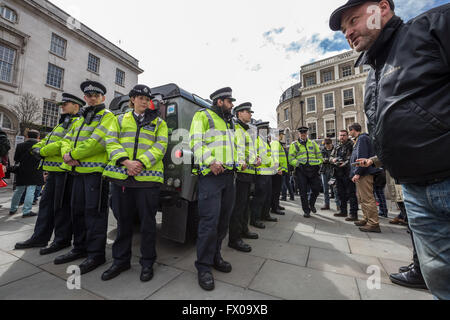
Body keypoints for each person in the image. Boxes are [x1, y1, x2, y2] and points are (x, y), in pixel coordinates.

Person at [330, 0, 450, 298]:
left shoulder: (433, 25)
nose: (349, 32)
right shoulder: (373, 73)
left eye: (353, 20)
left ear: (382, 7)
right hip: (414, 189)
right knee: (440, 281)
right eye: (344, 29)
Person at [101, 85, 168, 282]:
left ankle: (147, 263)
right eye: (140, 98)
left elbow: (161, 145)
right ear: (132, 100)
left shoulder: (159, 122)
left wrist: (140, 163)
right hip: (123, 178)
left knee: (148, 225)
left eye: (147, 99)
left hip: (147, 181)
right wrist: (126, 161)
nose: (144, 101)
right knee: (123, 223)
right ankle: (120, 261)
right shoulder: (119, 119)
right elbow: (111, 141)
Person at [54, 81, 115, 275]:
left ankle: (96, 254)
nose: (91, 98)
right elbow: (65, 140)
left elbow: (97, 142)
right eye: (88, 95)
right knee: (77, 211)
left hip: (96, 174)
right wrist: (67, 154)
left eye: (95, 95)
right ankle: (79, 248)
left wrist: (73, 155)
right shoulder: (80, 118)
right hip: (77, 173)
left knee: (94, 214)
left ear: (103, 98)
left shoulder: (108, 116)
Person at [14, 93, 84, 254]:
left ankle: (61, 240)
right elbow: (47, 140)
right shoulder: (62, 123)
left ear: (76, 106)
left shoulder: (78, 122)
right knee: (46, 206)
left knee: (62, 208)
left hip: (64, 171)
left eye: (65, 104)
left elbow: (63, 143)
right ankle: (39, 237)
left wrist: (42, 151)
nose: (62, 106)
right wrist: (37, 147)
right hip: (54, 172)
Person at [189, 87, 237, 291]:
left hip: (229, 177)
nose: (232, 105)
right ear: (219, 101)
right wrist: (210, 161)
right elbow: (194, 141)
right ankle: (203, 267)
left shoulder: (229, 122)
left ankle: (216, 256)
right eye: (229, 101)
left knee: (223, 221)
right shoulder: (203, 115)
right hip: (211, 177)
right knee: (209, 223)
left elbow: (232, 148)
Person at [228, 103, 260, 254]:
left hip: (248, 173)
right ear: (239, 113)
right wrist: (245, 161)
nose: (251, 114)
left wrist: (256, 158)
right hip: (239, 173)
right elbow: (235, 150)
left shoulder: (246, 130)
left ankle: (244, 230)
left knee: (245, 204)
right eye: (248, 112)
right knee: (238, 207)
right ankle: (234, 239)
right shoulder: (235, 128)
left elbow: (248, 151)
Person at [348, 123, 380, 233]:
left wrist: (357, 173)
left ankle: (373, 223)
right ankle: (366, 219)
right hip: (362, 173)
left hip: (364, 173)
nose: (349, 133)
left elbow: (362, 158)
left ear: (353, 130)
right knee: (362, 198)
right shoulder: (359, 140)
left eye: (349, 130)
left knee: (367, 199)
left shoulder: (362, 139)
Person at [288, 127, 323, 218]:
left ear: (307, 133)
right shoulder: (294, 144)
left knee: (316, 188)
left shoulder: (313, 143)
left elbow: (319, 156)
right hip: (301, 170)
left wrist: (317, 164)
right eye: (301, 132)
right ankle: (306, 210)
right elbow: (291, 158)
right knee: (303, 192)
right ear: (299, 134)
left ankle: (311, 203)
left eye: (304, 132)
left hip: (313, 169)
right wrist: (298, 164)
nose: (303, 134)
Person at [9, 130, 44, 218]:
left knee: (18, 190)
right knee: (31, 190)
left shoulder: (20, 145)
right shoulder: (41, 146)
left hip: (22, 170)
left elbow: (16, 158)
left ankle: (13, 209)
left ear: (27, 136)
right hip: (35, 170)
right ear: (38, 137)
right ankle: (26, 211)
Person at [250, 120, 278, 228]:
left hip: (267, 173)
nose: (267, 131)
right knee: (259, 197)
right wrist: (273, 164)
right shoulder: (257, 140)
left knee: (267, 196)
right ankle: (255, 219)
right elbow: (263, 156)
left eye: (267, 130)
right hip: (260, 173)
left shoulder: (265, 142)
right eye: (265, 129)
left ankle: (265, 215)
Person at [331, 130, 358, 221]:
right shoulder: (337, 145)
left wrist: (345, 163)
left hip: (348, 172)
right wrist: (334, 159)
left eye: (344, 135)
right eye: (340, 135)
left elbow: (353, 158)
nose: (342, 137)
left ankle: (353, 213)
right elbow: (331, 156)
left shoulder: (351, 145)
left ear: (347, 136)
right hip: (338, 173)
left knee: (351, 193)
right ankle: (343, 211)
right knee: (340, 193)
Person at [270, 130, 288, 215]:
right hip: (277, 171)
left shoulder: (277, 143)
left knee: (277, 190)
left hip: (279, 170)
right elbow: (274, 156)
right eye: (281, 135)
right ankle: (275, 207)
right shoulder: (275, 143)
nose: (282, 136)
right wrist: (277, 169)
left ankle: (277, 205)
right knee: (276, 190)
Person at [320, 138, 335, 211]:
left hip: (332, 172)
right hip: (324, 172)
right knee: (325, 189)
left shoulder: (335, 150)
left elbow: (335, 159)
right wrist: (324, 160)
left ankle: (338, 205)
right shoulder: (322, 150)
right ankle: (326, 204)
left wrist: (328, 160)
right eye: (326, 144)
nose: (327, 146)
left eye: (328, 144)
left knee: (334, 188)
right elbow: (320, 159)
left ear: (331, 143)